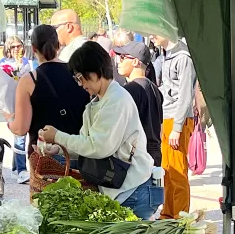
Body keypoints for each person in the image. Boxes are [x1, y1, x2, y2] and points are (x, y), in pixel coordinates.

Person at [38, 41, 163, 220]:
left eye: (80, 77)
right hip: (123, 189)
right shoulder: (96, 103)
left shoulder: (116, 101)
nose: (80, 84)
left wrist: (58, 136)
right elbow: (85, 144)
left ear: (95, 72)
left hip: (134, 191)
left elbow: (98, 146)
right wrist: (58, 148)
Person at [6, 25, 90, 159]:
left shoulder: (30, 80)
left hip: (44, 156)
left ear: (33, 48)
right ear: (58, 45)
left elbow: (20, 128)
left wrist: (9, 119)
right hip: (77, 152)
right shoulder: (78, 73)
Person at [150, 35, 196, 219]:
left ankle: (180, 216)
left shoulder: (183, 56)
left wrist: (177, 128)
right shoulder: (168, 54)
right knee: (167, 170)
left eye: (154, 31)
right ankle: (169, 213)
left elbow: (185, 96)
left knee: (177, 172)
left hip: (178, 119)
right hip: (169, 117)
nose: (151, 37)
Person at [114, 41, 164, 166]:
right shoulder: (154, 89)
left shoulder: (129, 90)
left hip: (137, 158)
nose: (118, 61)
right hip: (155, 154)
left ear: (135, 62)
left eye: (122, 57)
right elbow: (160, 127)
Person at [0, 35, 32, 184]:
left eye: (19, 46)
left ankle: (15, 168)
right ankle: (21, 170)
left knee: (20, 135)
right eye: (13, 46)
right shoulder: (3, 63)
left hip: (24, 102)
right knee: (20, 135)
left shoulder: (27, 63)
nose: (16, 49)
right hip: (10, 103)